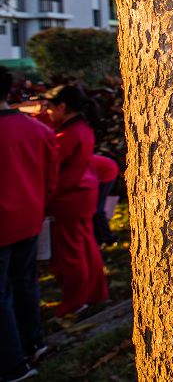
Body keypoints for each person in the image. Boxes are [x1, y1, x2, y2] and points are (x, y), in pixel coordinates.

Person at [0, 68, 57, 382]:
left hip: (6, 224)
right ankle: (33, 342)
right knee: (25, 282)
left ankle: (12, 364)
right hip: (30, 217)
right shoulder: (38, 130)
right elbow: (51, 178)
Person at [38, 85, 109, 319]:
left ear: (62, 107)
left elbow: (51, 167)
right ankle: (96, 293)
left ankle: (75, 303)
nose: (46, 112)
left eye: (49, 107)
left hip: (69, 198)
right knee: (86, 247)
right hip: (82, 193)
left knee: (69, 255)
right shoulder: (81, 128)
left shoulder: (69, 135)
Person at [89, 155, 119, 246]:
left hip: (107, 173)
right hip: (104, 170)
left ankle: (108, 237)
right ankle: (99, 238)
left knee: (97, 209)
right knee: (94, 208)